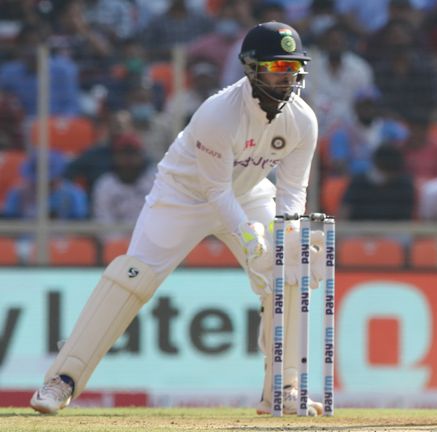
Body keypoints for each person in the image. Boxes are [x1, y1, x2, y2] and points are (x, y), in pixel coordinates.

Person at [30, 21, 326, 417]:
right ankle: (62, 381)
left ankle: (283, 388)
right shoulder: (218, 114)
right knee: (133, 278)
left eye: (292, 69)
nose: (286, 78)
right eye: (276, 68)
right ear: (252, 69)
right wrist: (250, 237)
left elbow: (292, 192)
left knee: (290, 264)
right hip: (183, 195)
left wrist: (286, 234)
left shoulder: (303, 120)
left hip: (249, 192)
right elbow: (214, 192)